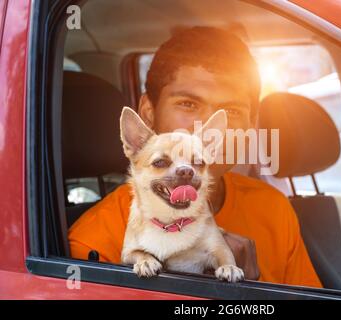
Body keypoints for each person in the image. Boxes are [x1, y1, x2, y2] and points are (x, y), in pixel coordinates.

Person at [68, 26, 322, 287]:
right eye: (188, 104)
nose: (205, 130)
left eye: (231, 111)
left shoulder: (273, 209)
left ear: (250, 124)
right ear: (148, 113)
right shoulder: (96, 240)